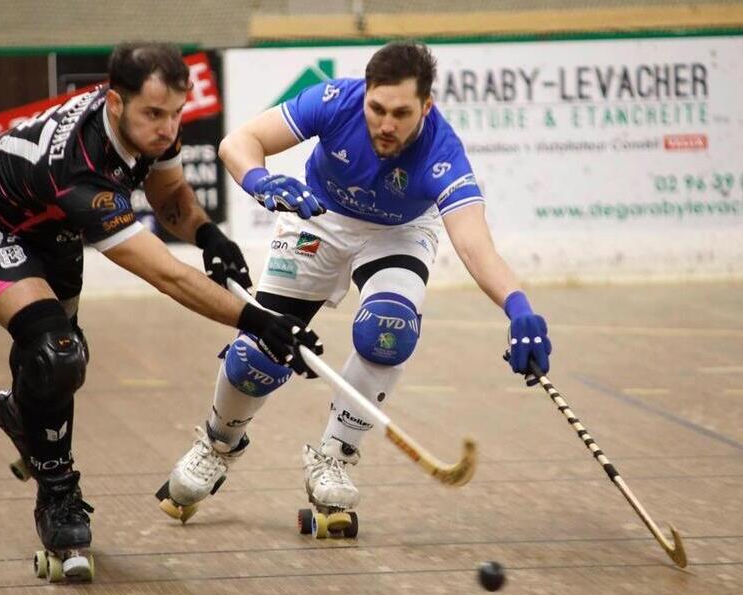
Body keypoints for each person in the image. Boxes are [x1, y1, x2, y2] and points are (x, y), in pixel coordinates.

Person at [0, 42, 323, 580]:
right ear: (114, 103)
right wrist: (259, 322)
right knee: (55, 355)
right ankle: (58, 498)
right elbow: (164, 274)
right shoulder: (79, 166)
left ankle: (21, 412)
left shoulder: (147, 129)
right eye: (153, 114)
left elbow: (170, 195)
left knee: (58, 369)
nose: (167, 129)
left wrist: (207, 234)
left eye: (176, 115)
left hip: (54, 229)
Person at [158, 41, 551, 532]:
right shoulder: (335, 101)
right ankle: (218, 443)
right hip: (319, 220)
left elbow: (475, 246)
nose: (386, 124)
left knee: (389, 330)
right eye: (377, 108)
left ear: (426, 107)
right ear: (364, 94)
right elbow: (237, 143)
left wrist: (519, 308)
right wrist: (261, 181)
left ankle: (335, 455)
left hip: (399, 233)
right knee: (257, 350)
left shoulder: (442, 152)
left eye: (402, 113)